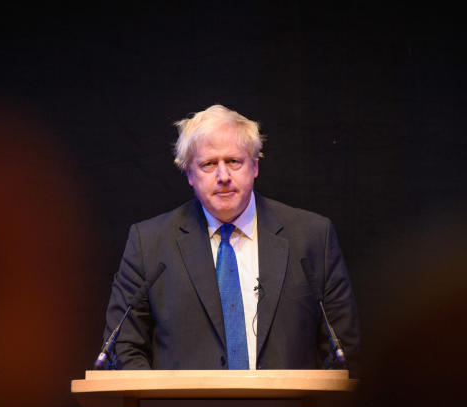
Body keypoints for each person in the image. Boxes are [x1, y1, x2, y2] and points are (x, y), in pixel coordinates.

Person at [103, 104, 359, 371]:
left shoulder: (312, 237)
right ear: (190, 174)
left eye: (234, 161)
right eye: (209, 164)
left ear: (255, 166)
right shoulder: (150, 244)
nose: (223, 176)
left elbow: (342, 350)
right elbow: (124, 347)